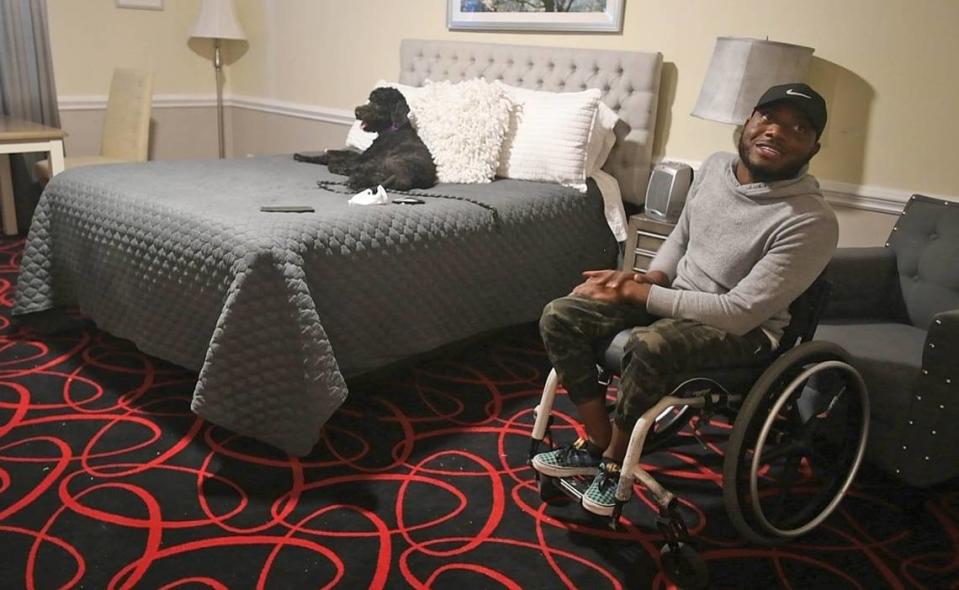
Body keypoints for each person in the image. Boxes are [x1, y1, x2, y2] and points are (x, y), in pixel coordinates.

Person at [531, 83, 839, 517]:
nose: (776, 132)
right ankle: (599, 439)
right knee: (562, 313)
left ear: (814, 147)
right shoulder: (714, 168)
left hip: (745, 333)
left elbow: (740, 313)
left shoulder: (810, 220)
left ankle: (614, 461)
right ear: (748, 121)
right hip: (679, 299)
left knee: (648, 344)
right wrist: (649, 276)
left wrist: (641, 293)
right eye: (768, 117)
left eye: (797, 127)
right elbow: (682, 237)